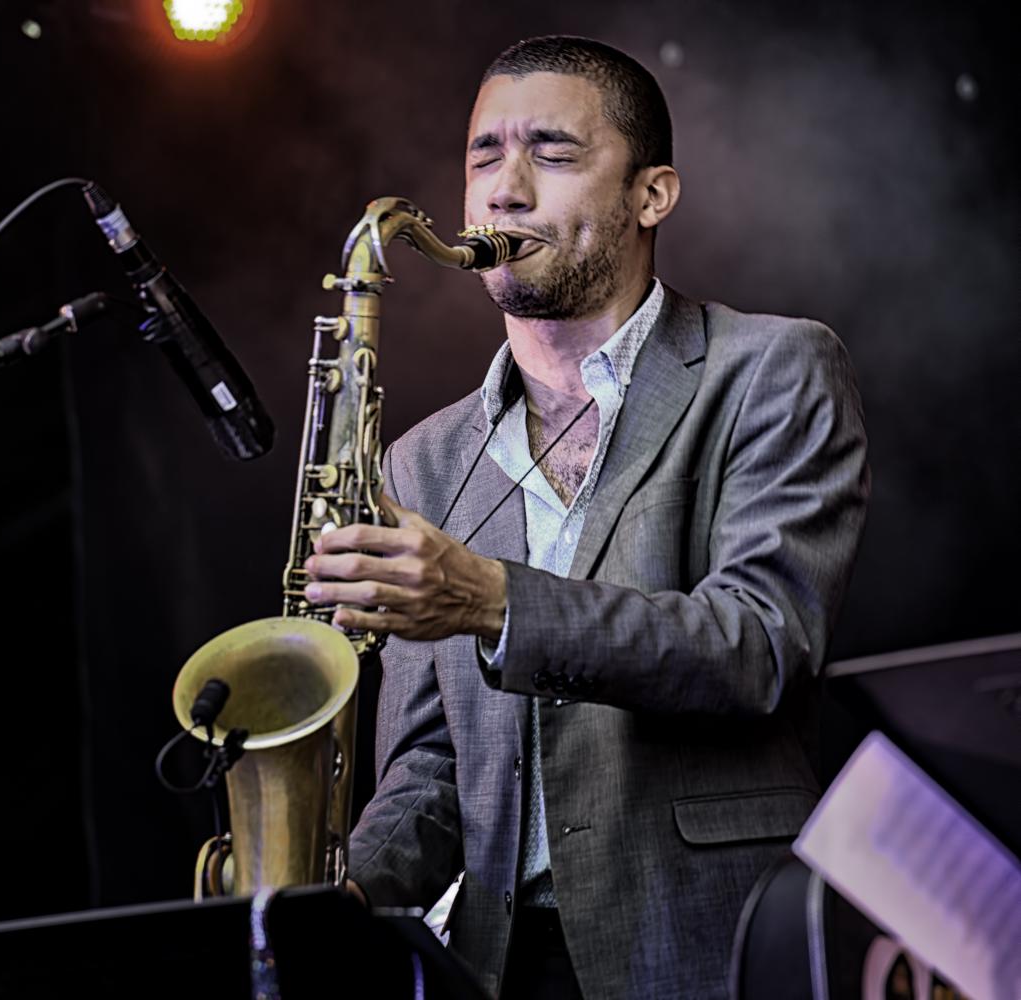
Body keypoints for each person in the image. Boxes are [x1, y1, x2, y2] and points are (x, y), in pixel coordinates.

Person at [303, 35, 870, 1000]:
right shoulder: (421, 460)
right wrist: (341, 893)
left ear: (652, 195)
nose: (503, 191)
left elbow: (761, 648)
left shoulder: (773, 369)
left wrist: (492, 600)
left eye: (552, 154)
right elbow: (431, 766)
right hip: (494, 965)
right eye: (484, 155)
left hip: (709, 942)